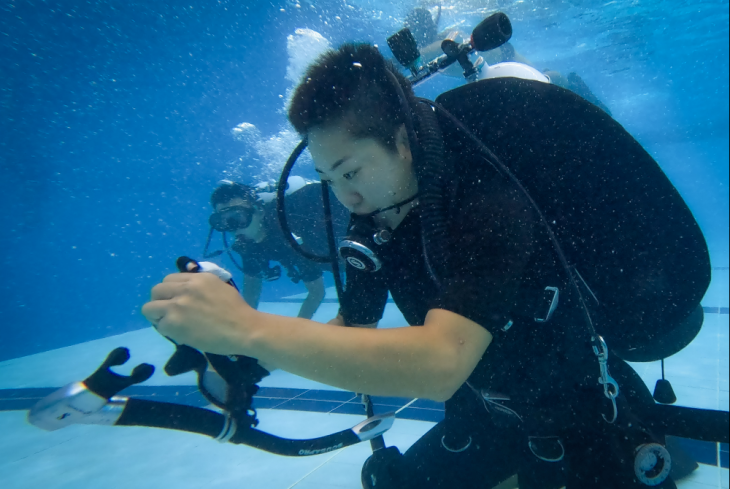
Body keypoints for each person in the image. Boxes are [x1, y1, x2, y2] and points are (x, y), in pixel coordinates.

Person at [141, 43, 705, 488]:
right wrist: (248, 360)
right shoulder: (375, 216)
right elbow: (352, 328)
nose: (345, 199)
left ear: (403, 141)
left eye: (352, 172)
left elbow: (439, 363)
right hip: (485, 410)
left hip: (582, 413)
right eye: (330, 180)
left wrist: (247, 326)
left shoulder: (488, 204)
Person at [405, 6, 613, 114]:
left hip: (503, 56)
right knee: (546, 80)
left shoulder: (441, 42)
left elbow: (432, 50)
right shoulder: (440, 42)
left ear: (419, 29)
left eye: (412, 28)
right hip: (502, 56)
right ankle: (577, 93)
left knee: (547, 80)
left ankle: (583, 95)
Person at [208, 181, 327, 320]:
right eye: (222, 221)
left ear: (259, 211)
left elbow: (317, 293)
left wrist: (293, 333)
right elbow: (251, 293)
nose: (233, 228)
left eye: (238, 217)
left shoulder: (289, 232)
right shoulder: (248, 245)